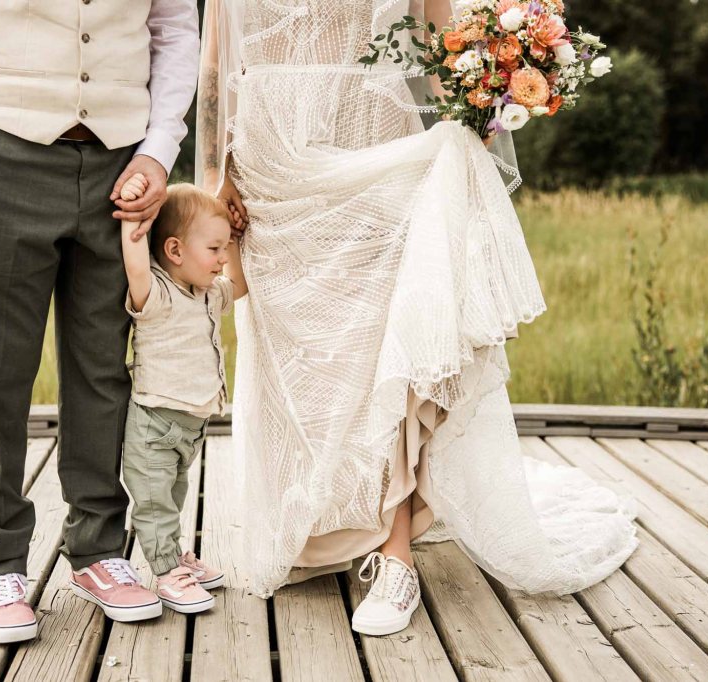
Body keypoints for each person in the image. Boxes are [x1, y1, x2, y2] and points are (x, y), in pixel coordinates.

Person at [197, 0, 638, 637]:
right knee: (302, 357)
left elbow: (440, 37)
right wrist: (215, 171)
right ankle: (318, 520)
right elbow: (215, 61)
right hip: (269, 158)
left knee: (387, 346)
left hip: (376, 141)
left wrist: (480, 111)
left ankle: (395, 552)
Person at [0, 0, 200, 643]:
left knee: (104, 369)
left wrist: (160, 149)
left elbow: (173, 26)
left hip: (122, 162)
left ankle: (98, 548)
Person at [112, 179, 248, 615]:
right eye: (214, 249)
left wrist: (238, 241)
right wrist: (136, 215)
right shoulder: (156, 293)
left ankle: (173, 556)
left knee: (172, 497)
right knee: (155, 505)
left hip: (189, 429)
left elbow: (239, 285)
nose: (222, 258)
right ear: (174, 251)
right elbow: (135, 262)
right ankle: (167, 572)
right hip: (155, 425)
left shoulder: (208, 292)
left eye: (223, 248)